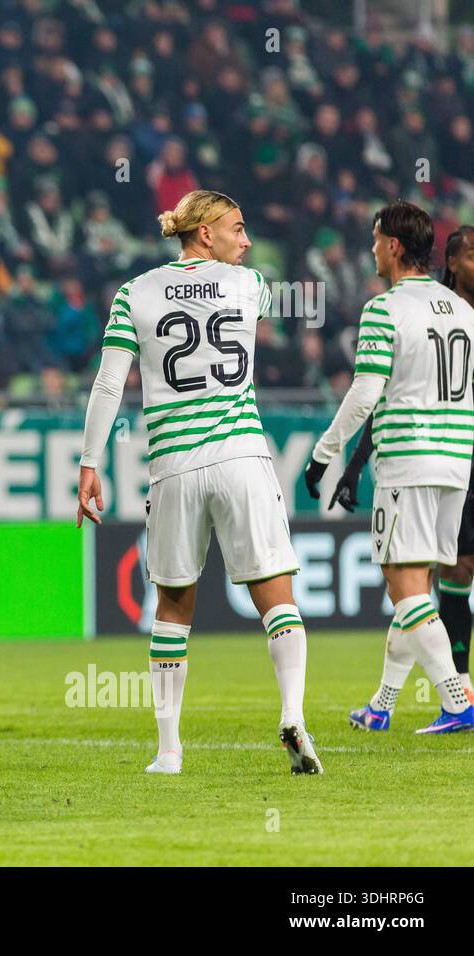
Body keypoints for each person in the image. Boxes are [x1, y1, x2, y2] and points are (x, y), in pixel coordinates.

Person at [78, 189, 321, 776]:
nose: (248, 240)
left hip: (174, 466)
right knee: (275, 595)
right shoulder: (250, 285)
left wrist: (90, 462)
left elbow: (110, 385)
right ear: (206, 233)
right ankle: (293, 714)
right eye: (238, 228)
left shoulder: (133, 293)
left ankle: (168, 751)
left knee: (172, 605)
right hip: (241, 456)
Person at [306, 201, 474, 734]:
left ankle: (456, 699)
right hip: (456, 464)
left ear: (395, 246)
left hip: (408, 459)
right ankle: (382, 703)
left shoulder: (385, 309)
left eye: (377, 240)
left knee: (402, 582)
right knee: (414, 584)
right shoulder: (464, 311)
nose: (373, 249)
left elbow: (363, 395)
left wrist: (324, 454)